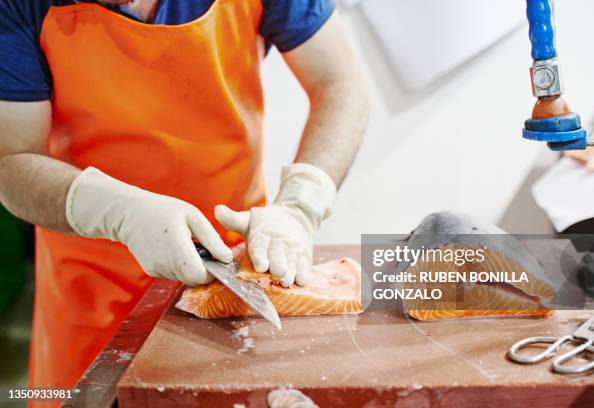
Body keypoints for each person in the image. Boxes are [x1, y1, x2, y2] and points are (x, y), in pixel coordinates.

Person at [0, 0, 369, 403]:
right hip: (91, 284)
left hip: (233, 272)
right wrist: (118, 213)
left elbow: (341, 83)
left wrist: (300, 204)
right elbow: (11, 162)